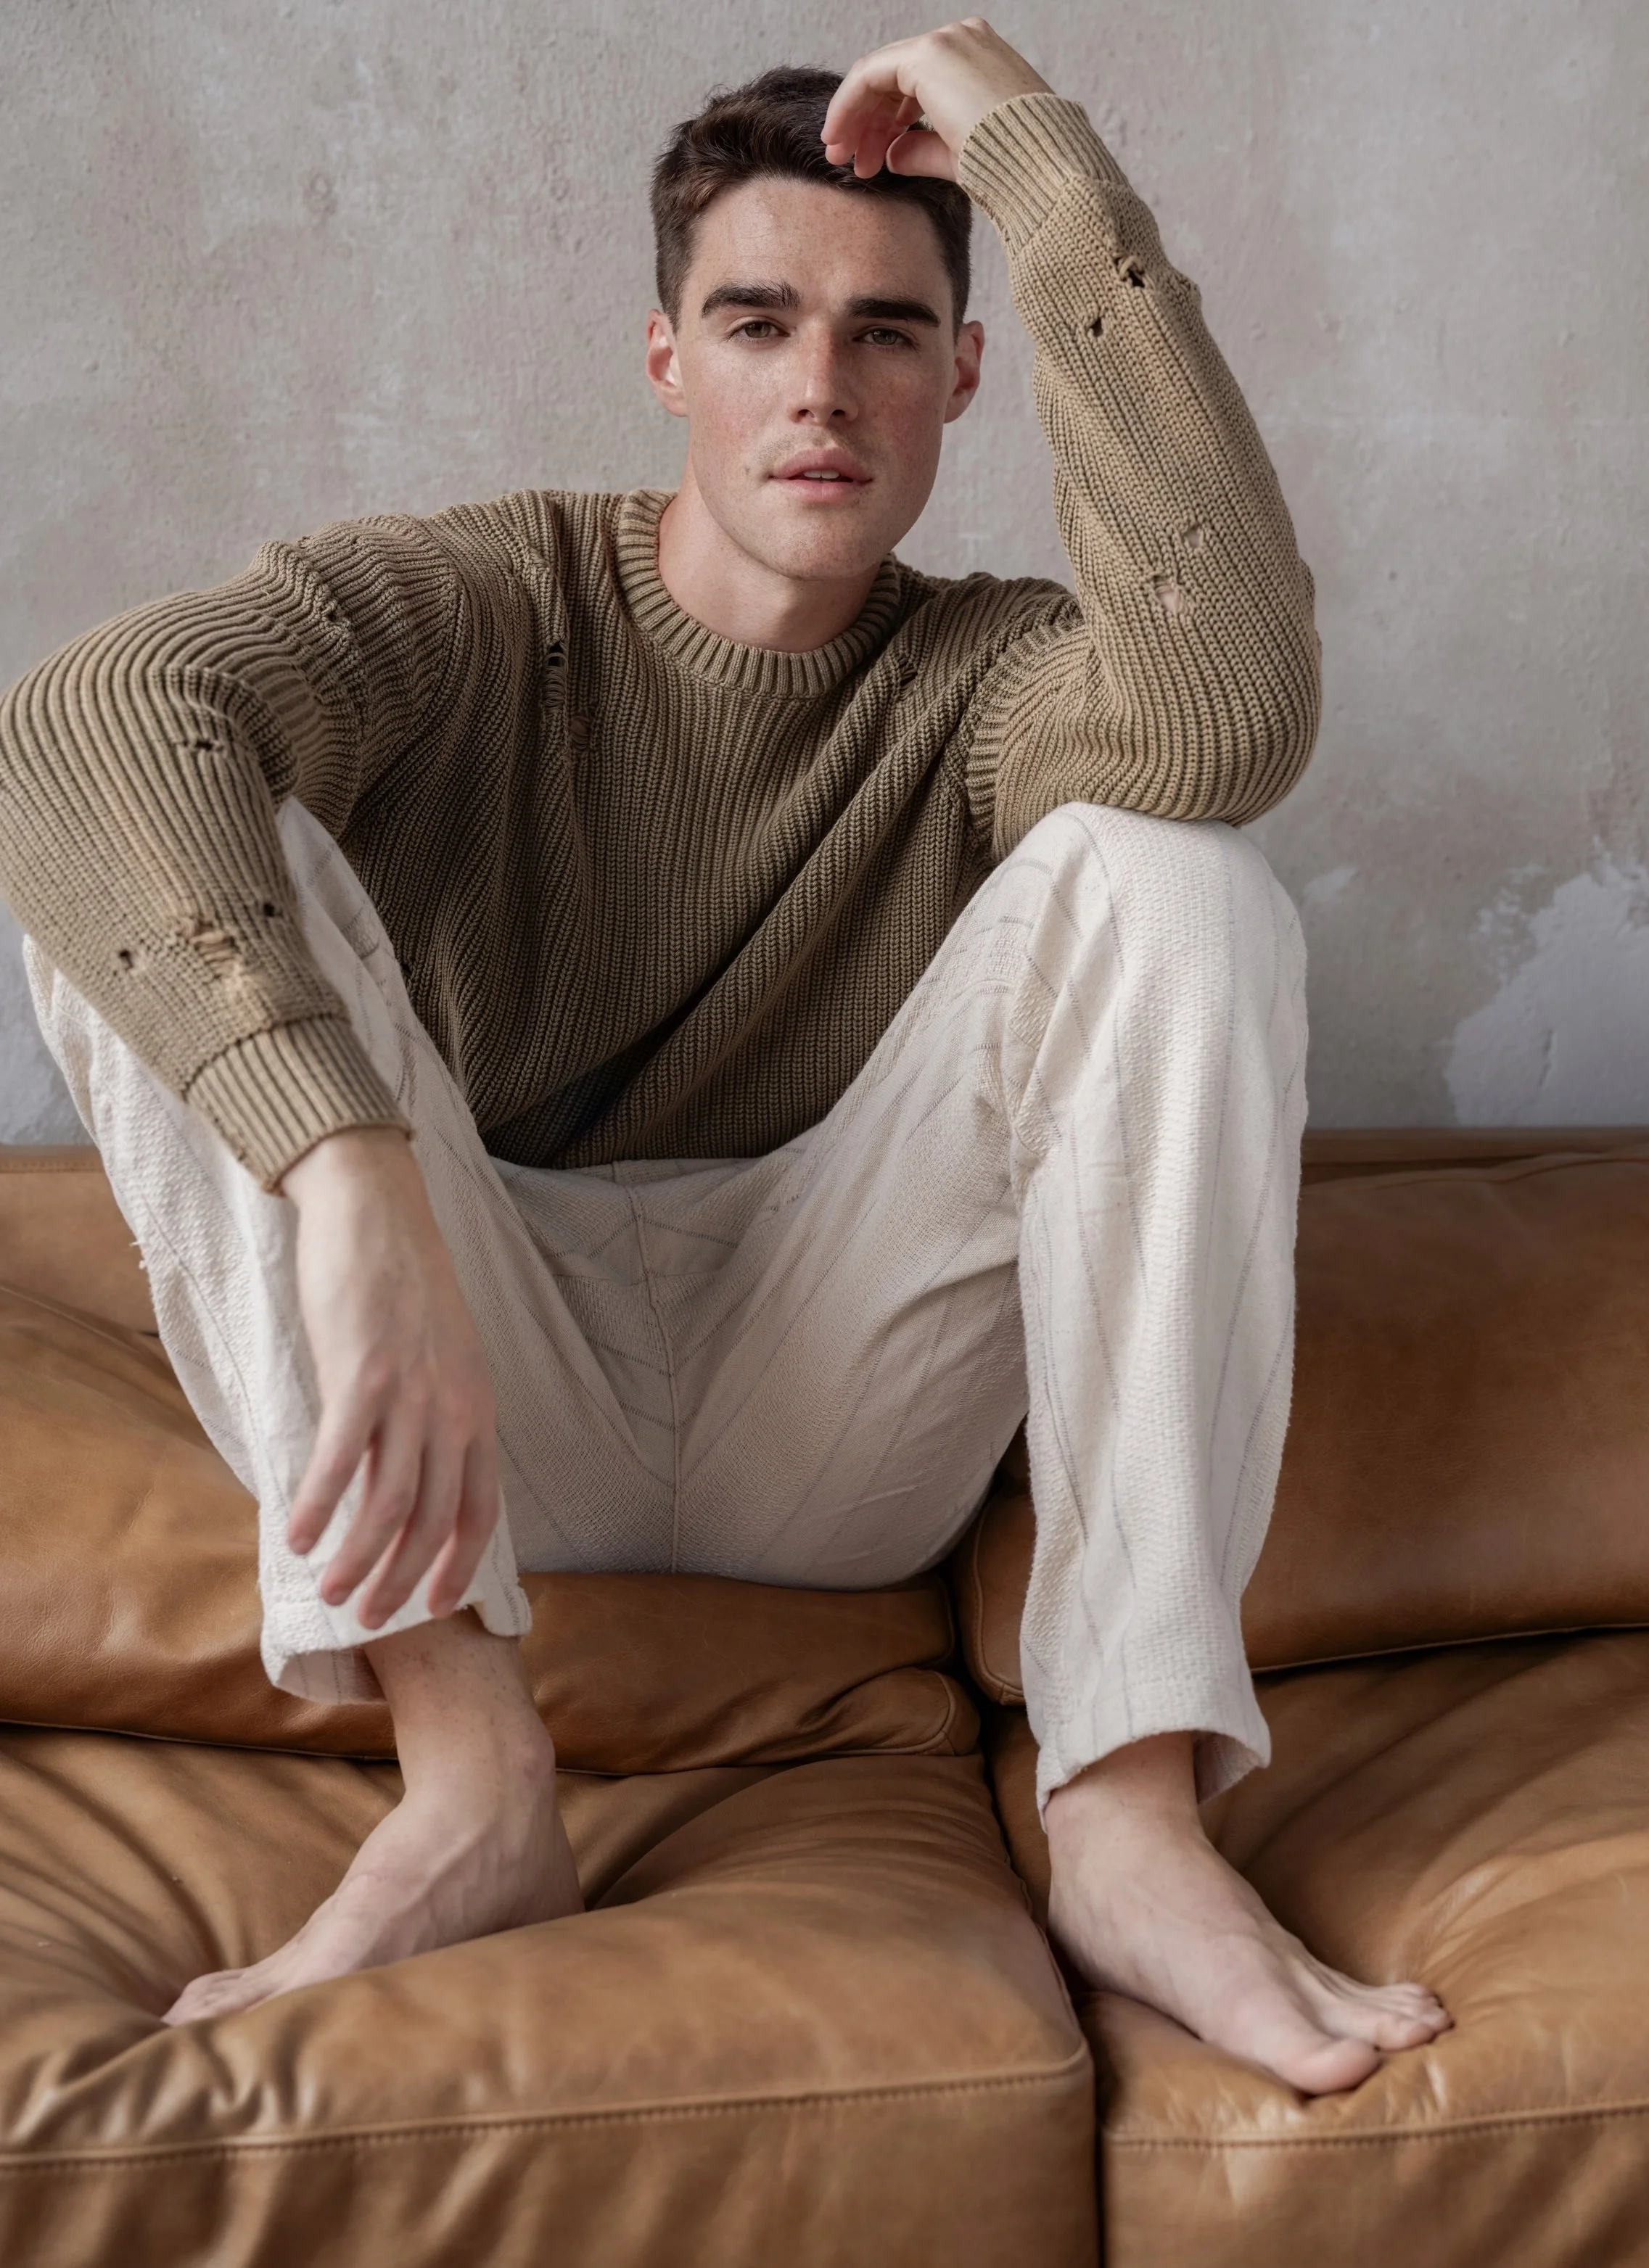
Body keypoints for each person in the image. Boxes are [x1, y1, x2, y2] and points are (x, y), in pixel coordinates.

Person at [0, 20, 1449, 2092]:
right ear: (669, 357)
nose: (820, 387)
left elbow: (1225, 715)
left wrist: (1033, 160)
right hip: (478, 1398)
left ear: (963, 375)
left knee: (1177, 873)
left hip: (829, 1406)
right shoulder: (483, 606)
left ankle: (1126, 1812)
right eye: (759, 321)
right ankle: (469, 1775)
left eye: (885, 333)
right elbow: (72, 723)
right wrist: (348, 1173)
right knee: (158, 835)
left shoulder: (988, 680)